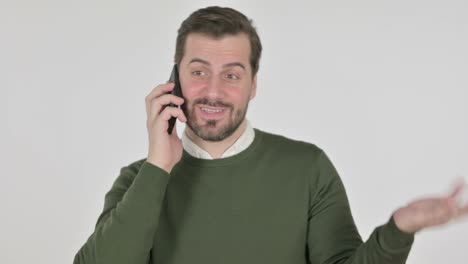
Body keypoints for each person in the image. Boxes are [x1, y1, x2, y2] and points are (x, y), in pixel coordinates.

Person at [73, 6, 468, 264]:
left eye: (231, 74)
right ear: (174, 80)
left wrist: (398, 231)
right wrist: (158, 165)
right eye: (198, 72)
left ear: (253, 85)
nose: (213, 90)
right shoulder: (138, 181)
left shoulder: (308, 168)